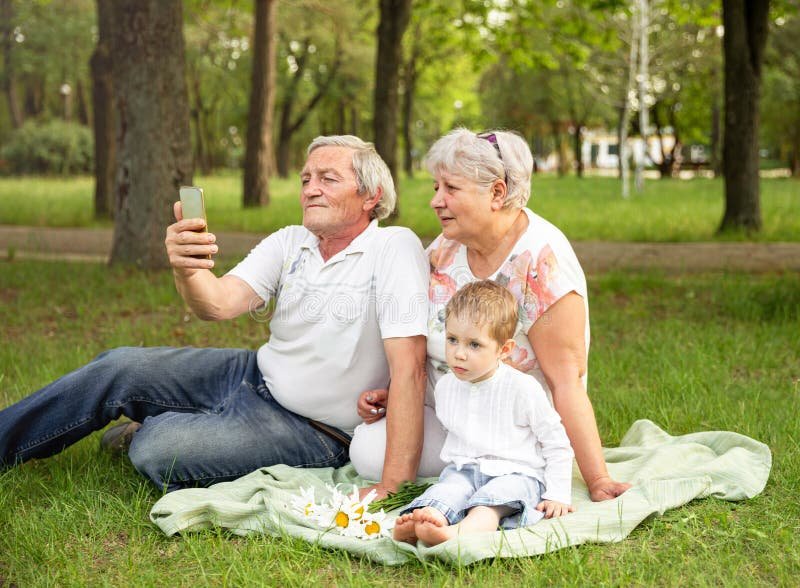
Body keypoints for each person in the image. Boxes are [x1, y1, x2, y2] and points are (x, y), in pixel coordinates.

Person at [0, 135, 428, 498]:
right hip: (251, 372)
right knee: (118, 365)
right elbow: (217, 303)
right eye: (305, 179)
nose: (310, 189)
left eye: (328, 179)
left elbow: (409, 367)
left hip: (314, 429)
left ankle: (155, 426)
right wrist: (188, 268)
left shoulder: (393, 248)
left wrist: (392, 487)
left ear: (371, 196)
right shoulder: (292, 240)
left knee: (157, 450)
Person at [350, 129, 631, 502]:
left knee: (373, 452)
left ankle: (499, 471)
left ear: (497, 193)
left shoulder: (541, 264)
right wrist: (398, 396)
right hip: (454, 409)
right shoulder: (447, 247)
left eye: (450, 188)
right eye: (436, 187)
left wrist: (598, 479)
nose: (436, 201)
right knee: (367, 446)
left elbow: (567, 381)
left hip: (511, 425)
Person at [393, 281, 574, 546]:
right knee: (448, 489)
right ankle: (430, 516)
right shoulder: (446, 386)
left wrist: (558, 493)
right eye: (452, 340)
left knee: (493, 502)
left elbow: (555, 442)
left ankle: (460, 532)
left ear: (504, 350)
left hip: (518, 473)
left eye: (474, 345)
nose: (459, 354)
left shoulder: (522, 388)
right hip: (465, 468)